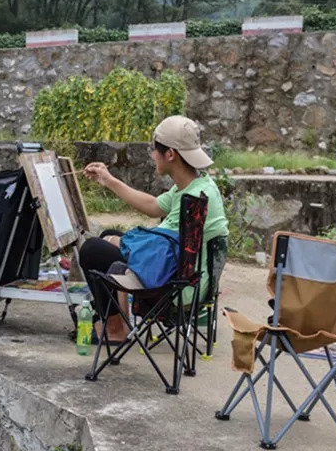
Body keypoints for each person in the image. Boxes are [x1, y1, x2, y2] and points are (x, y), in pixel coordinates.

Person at [79, 115, 228, 343]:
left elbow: (160, 251)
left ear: (170, 154)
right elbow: (153, 206)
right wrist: (108, 180)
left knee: (92, 249)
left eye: (154, 149)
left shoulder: (193, 199)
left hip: (176, 284)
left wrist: (120, 243)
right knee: (108, 237)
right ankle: (118, 321)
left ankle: (116, 329)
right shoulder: (197, 186)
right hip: (192, 276)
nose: (152, 155)